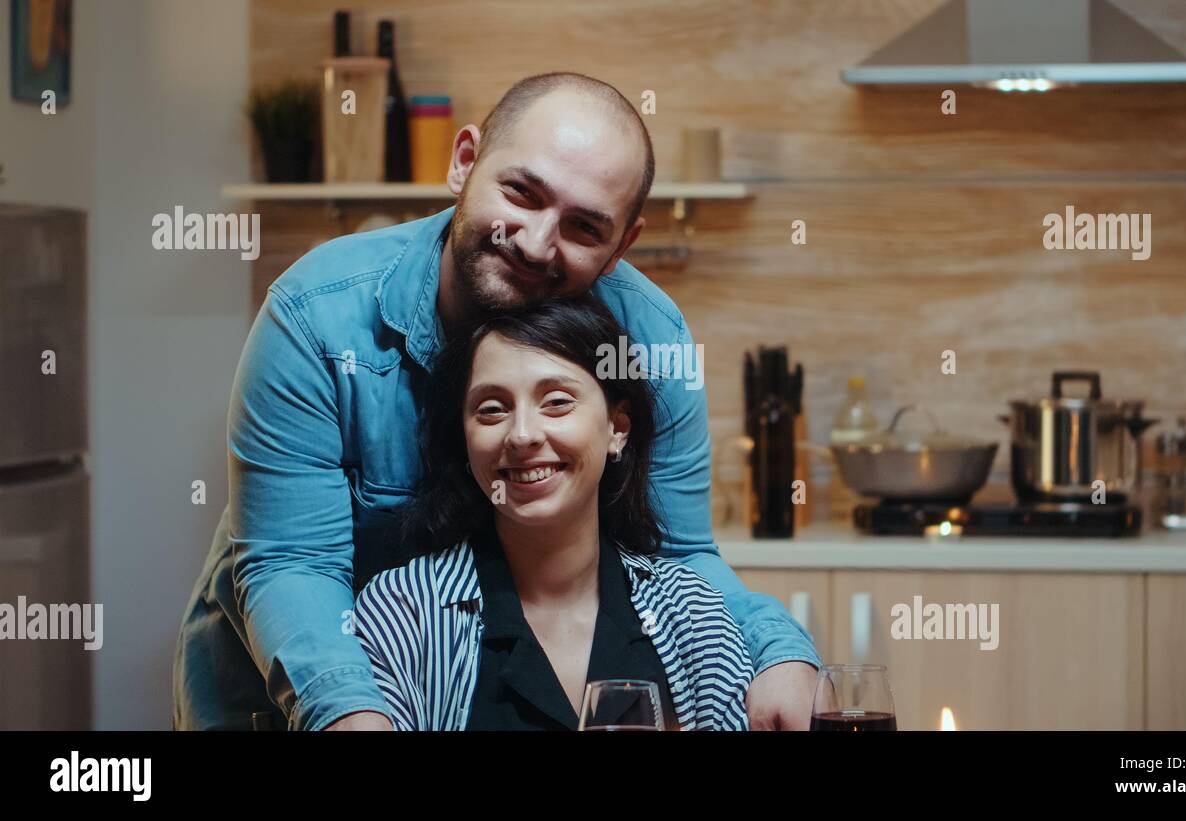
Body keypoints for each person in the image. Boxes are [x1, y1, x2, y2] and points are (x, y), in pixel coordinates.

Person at [172, 71, 818, 731]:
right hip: (275, 698)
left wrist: (779, 648)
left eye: (584, 227)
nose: (536, 243)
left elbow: (677, 554)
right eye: (522, 192)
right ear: (464, 162)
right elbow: (292, 563)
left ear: (622, 245)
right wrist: (350, 713)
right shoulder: (315, 317)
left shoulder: (650, 341)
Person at [353, 296, 751, 730]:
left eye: (557, 402)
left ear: (617, 428)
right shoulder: (405, 611)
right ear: (465, 442)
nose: (522, 434)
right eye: (491, 409)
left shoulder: (692, 613)